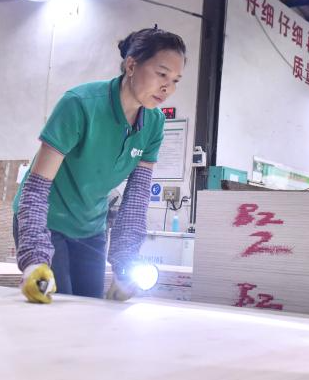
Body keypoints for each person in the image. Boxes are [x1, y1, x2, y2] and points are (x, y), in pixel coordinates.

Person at [13, 27, 185, 303]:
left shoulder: (154, 123)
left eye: (175, 80)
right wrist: (35, 257)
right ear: (131, 65)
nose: (168, 88)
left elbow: (136, 198)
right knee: (55, 307)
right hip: (47, 222)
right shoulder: (80, 105)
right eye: (161, 74)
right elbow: (35, 189)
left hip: (90, 228)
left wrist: (125, 264)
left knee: (91, 308)